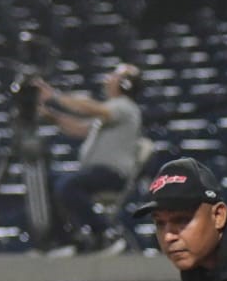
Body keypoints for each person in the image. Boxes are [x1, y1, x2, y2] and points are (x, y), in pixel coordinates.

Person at [36, 63, 145, 254]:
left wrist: (54, 96)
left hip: (111, 174)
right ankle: (66, 240)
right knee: (51, 182)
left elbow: (90, 109)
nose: (108, 78)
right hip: (96, 172)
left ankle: (104, 233)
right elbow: (79, 129)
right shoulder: (111, 111)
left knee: (68, 185)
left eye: (115, 75)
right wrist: (53, 117)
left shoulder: (124, 106)